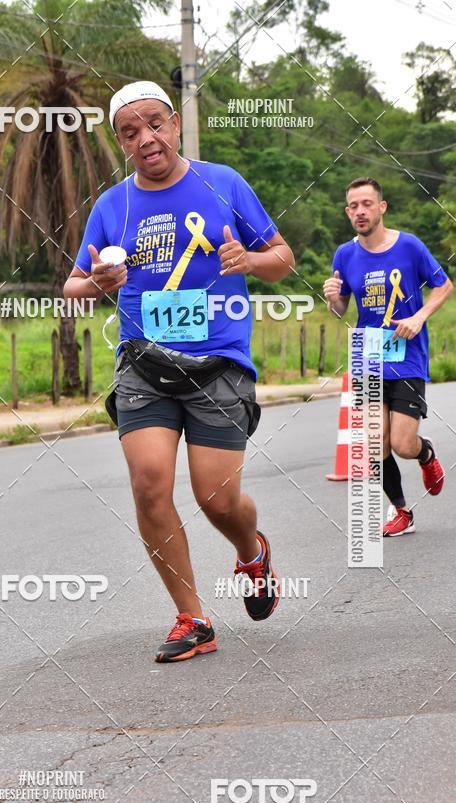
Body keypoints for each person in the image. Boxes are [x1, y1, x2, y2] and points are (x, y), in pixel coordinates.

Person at [64, 81, 294, 661]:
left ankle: (251, 550)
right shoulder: (111, 206)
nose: (146, 139)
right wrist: (97, 283)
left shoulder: (224, 183)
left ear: (176, 125)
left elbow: (283, 259)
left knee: (217, 499)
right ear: (120, 142)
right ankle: (192, 618)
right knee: (148, 486)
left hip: (219, 363)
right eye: (130, 132)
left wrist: (249, 258)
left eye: (155, 124)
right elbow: (71, 286)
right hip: (144, 363)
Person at [324, 177, 452, 536]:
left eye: (366, 204)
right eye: (353, 206)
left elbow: (444, 286)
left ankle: (425, 453)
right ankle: (401, 510)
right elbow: (340, 310)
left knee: (402, 442)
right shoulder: (344, 254)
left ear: (382, 207)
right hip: (368, 355)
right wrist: (333, 297)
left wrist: (418, 317)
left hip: (407, 354)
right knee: (375, 442)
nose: (360, 211)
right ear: (347, 212)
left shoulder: (409, 246)